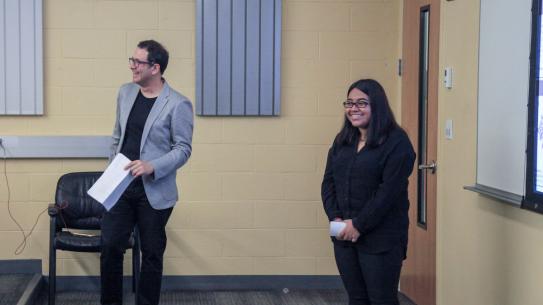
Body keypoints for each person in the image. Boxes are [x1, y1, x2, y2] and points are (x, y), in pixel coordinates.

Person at [101, 40, 193, 305]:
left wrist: (153, 166)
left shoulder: (178, 104)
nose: (132, 66)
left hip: (154, 191)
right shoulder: (125, 92)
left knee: (151, 254)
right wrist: (111, 170)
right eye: (132, 60)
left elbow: (183, 149)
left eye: (138, 62)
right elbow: (117, 135)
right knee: (110, 247)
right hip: (121, 187)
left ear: (155, 68)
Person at [321, 79, 416, 305]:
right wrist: (335, 218)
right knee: (357, 299)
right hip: (344, 236)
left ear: (378, 105)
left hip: (381, 238)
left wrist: (359, 225)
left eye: (362, 103)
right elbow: (329, 182)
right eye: (350, 103)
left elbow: (388, 194)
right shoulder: (343, 140)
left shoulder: (397, 143)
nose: (354, 108)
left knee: (382, 300)